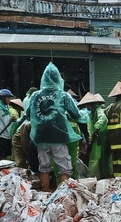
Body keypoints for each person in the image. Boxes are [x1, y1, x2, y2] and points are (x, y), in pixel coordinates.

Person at [26, 62, 88, 191]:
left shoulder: (35, 95)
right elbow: (75, 113)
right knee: (64, 167)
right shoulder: (63, 95)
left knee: (44, 167)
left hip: (40, 136)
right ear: (58, 79)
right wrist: (84, 114)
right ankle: (62, 195)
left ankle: (45, 192)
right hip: (58, 135)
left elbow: (28, 113)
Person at [78, 92, 110, 178]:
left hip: (100, 137)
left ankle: (94, 176)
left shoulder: (98, 111)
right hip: (96, 137)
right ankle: (98, 176)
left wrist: (97, 129)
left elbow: (103, 119)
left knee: (96, 158)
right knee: (98, 158)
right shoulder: (93, 113)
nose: (87, 107)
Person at [0, 88, 18, 159]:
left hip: (7, 135)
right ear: (3, 98)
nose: (10, 99)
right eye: (8, 97)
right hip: (0, 136)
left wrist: (12, 119)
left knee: (5, 158)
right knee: (0, 159)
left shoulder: (6, 107)